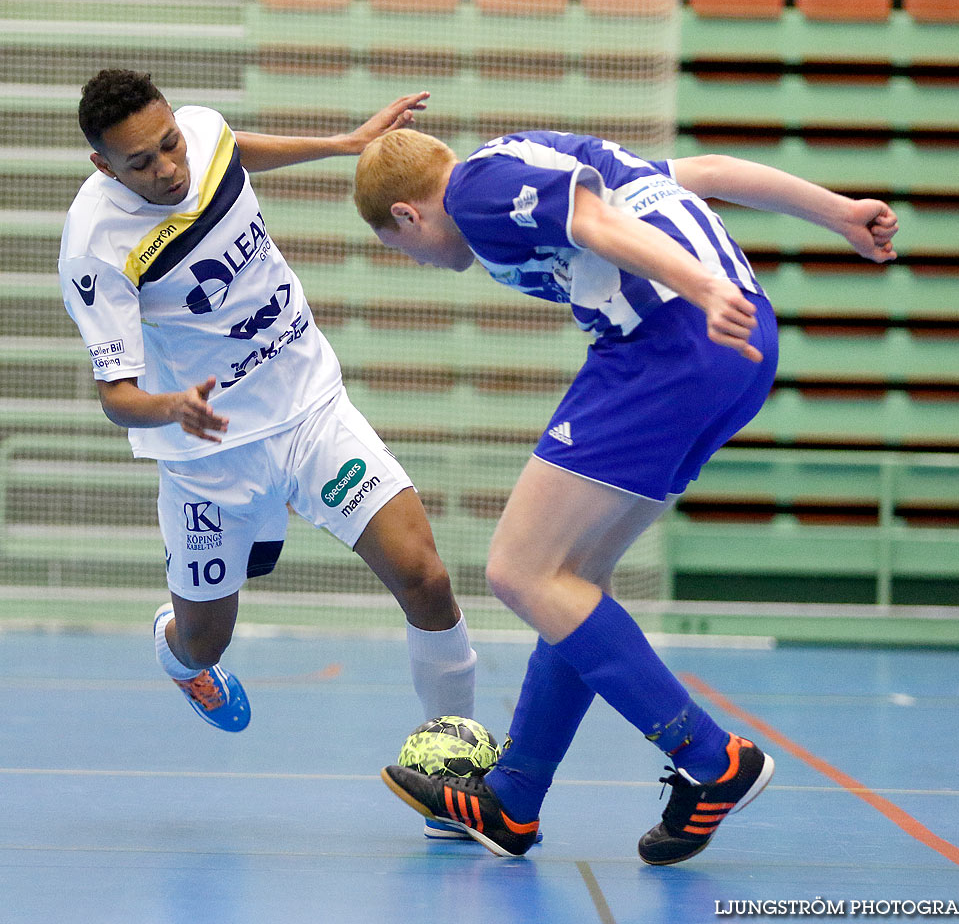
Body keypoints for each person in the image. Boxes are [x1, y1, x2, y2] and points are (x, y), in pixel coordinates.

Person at [356, 127, 898, 864]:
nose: (418, 259)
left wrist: (703, 288)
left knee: (519, 572)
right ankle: (514, 800)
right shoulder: (546, 156)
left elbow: (594, 224)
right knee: (568, 586)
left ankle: (713, 760)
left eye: (400, 247)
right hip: (738, 348)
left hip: (669, 345)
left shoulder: (472, 192)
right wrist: (836, 214)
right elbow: (707, 170)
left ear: (407, 218)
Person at [59, 70, 481, 838]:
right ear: (103, 169)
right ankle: (176, 652)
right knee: (206, 640)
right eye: (141, 164)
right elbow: (115, 392)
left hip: (309, 407)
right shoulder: (95, 248)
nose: (169, 169)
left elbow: (233, 149)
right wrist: (172, 406)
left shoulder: (202, 134)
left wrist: (344, 144)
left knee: (425, 576)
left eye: (169, 145)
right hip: (207, 456)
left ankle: (454, 765)